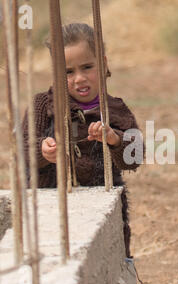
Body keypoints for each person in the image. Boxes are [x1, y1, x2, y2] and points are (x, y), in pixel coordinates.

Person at [22, 23, 143, 259]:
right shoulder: (43, 106)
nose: (79, 78)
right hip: (50, 210)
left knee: (105, 266)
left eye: (87, 67)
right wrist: (42, 151)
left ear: (104, 64)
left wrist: (114, 139)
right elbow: (23, 148)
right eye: (68, 72)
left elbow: (135, 157)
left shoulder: (115, 110)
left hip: (101, 213)